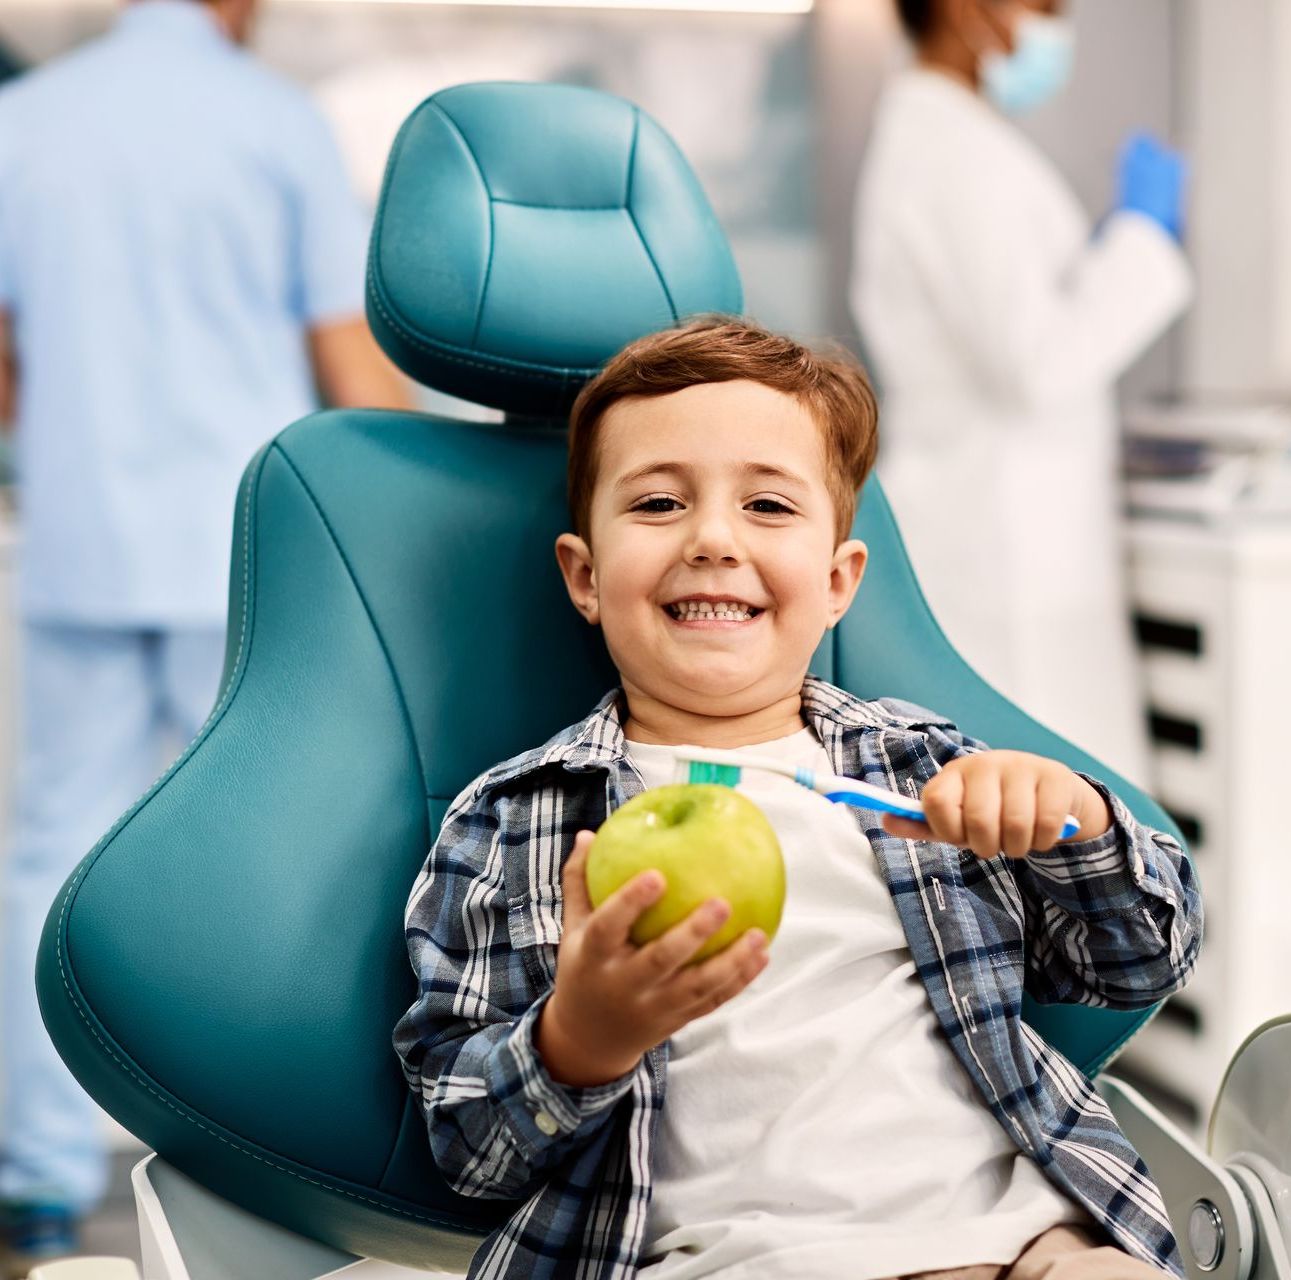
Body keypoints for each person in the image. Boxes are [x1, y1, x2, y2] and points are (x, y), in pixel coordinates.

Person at [394, 317, 1202, 1280]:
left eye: (768, 507)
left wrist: (1074, 821)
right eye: (657, 503)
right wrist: (580, 1039)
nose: (712, 540)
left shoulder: (921, 771)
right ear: (585, 576)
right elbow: (470, 1152)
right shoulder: (516, 824)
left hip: (1032, 1240)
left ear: (835, 582)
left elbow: (1145, 962)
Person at [0, 0, 410, 1271]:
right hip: (246, 555)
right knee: (277, 858)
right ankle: (257, 1165)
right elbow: (345, 353)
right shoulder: (272, 120)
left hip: (78, 540)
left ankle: (36, 1179)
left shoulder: (24, 121)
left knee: (52, 847)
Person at [850, 0, 1193, 786]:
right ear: (968, 9)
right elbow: (1037, 362)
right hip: (995, 537)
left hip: (1009, 521)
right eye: (1040, 5)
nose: (1052, 26)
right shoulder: (948, 151)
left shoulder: (957, 139)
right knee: (1030, 799)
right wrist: (1141, 239)